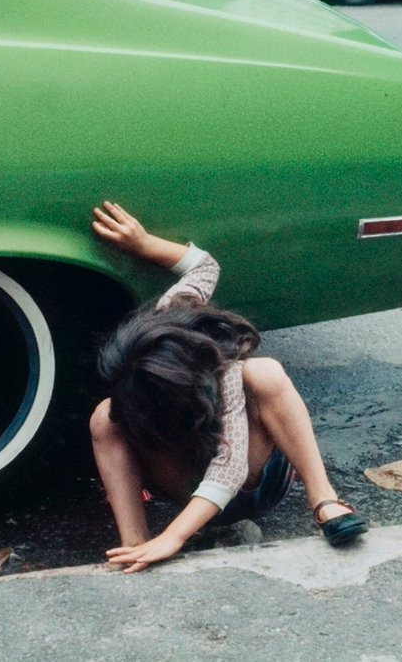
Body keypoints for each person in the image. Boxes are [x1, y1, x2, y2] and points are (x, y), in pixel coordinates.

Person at [89, 201, 368, 573]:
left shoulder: (227, 376)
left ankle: (324, 501)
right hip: (183, 484)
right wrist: (143, 244)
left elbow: (229, 470)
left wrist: (174, 537)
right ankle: (135, 544)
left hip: (249, 487)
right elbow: (205, 265)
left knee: (265, 373)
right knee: (104, 417)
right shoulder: (173, 313)